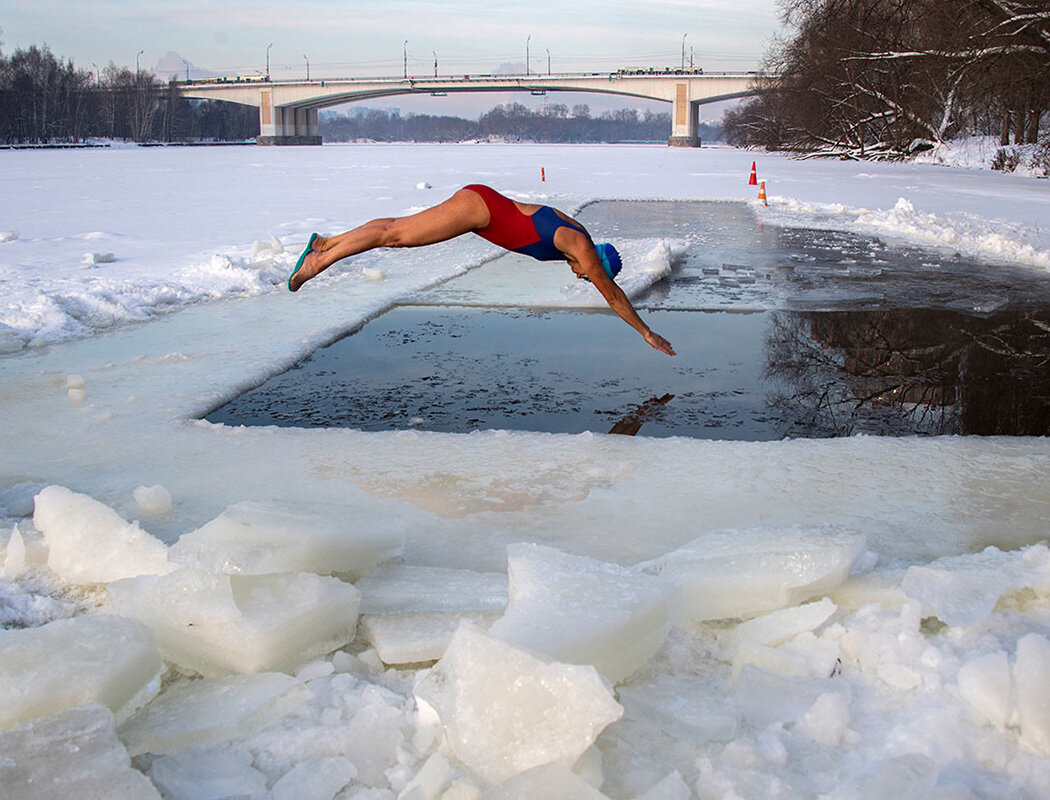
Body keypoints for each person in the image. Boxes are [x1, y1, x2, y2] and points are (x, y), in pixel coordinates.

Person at [288, 184, 675, 356]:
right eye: (588, 274)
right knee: (395, 236)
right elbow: (612, 294)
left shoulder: (578, 237)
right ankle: (318, 260)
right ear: (596, 265)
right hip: (479, 211)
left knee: (395, 226)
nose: (581, 277)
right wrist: (646, 332)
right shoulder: (578, 245)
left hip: (482, 207)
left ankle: (326, 243)